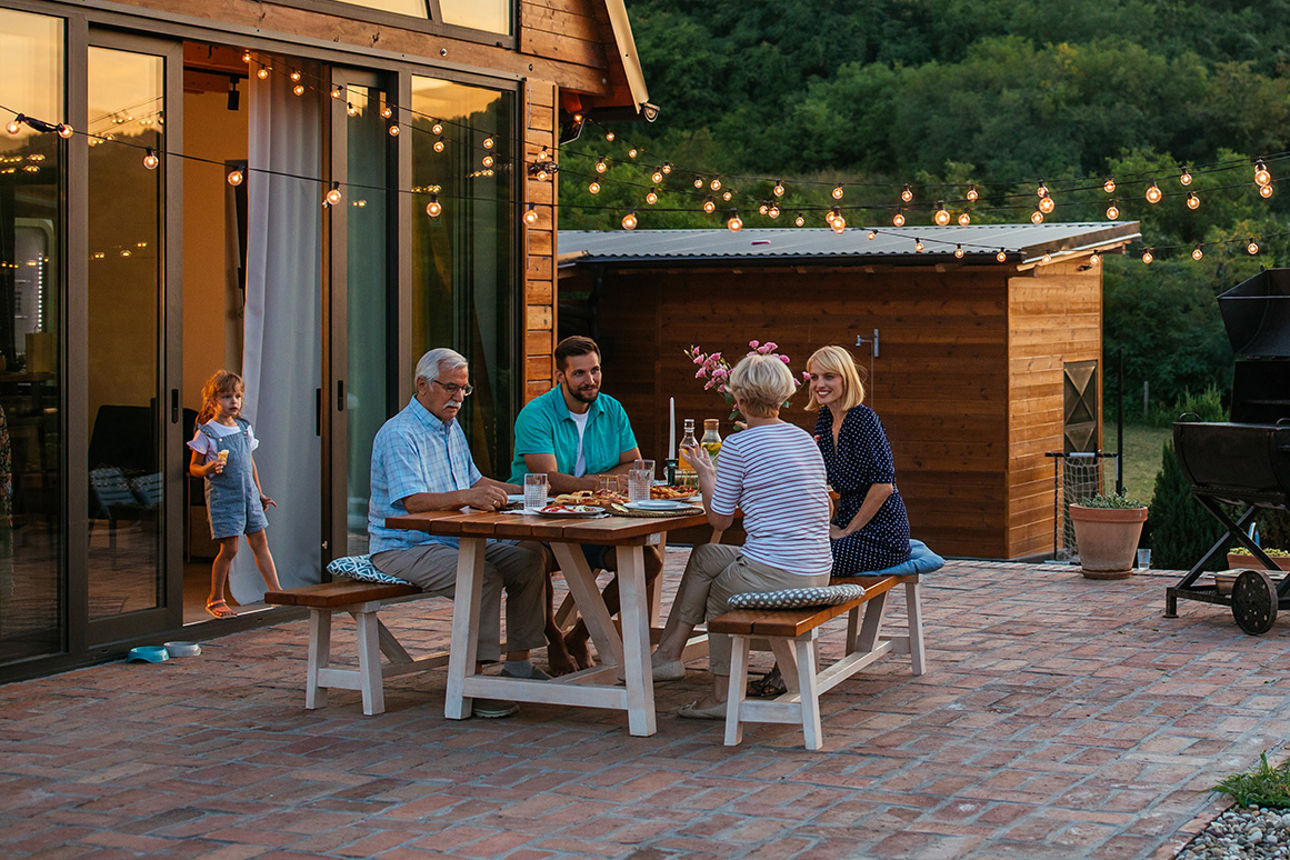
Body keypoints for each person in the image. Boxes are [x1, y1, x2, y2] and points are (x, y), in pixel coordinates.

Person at [649, 353, 833, 719]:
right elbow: (824, 507)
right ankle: (668, 655)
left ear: (740, 400)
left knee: (721, 593)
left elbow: (718, 519)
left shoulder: (738, 445)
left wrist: (705, 473)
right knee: (704, 556)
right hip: (816, 569)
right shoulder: (803, 439)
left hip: (776, 572)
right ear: (782, 398)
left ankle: (721, 695)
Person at [368, 348, 548, 718]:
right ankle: (474, 682)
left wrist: (526, 490)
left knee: (530, 557)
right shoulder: (400, 434)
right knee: (480, 574)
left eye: (465, 389)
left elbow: (472, 480)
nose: (459, 398)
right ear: (422, 384)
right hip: (403, 546)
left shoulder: (449, 426)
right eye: (451, 387)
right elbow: (414, 502)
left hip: (454, 540)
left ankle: (518, 664)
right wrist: (469, 496)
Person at [510, 335, 664, 672]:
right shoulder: (535, 415)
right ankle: (552, 637)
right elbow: (549, 479)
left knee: (647, 562)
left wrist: (586, 487)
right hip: (542, 521)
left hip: (596, 520)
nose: (590, 380)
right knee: (530, 557)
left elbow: (635, 466)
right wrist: (603, 482)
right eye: (579, 373)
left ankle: (579, 635)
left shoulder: (612, 409)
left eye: (595, 370)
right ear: (560, 376)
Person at [807, 345, 911, 575]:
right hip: (847, 520)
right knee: (791, 550)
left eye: (829, 377)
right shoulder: (825, 418)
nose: (819, 384)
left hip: (881, 533)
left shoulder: (862, 419)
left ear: (846, 379)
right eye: (814, 377)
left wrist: (846, 532)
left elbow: (884, 486)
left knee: (812, 563)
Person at [187, 370, 282, 619]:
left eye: (238, 396)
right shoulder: (207, 433)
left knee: (261, 543)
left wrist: (259, 493)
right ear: (212, 401)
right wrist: (207, 467)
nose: (234, 402)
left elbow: (249, 462)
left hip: (249, 496)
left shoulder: (242, 428)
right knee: (229, 549)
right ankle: (215, 598)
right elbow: (193, 467)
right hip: (225, 500)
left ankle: (277, 592)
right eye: (227, 396)